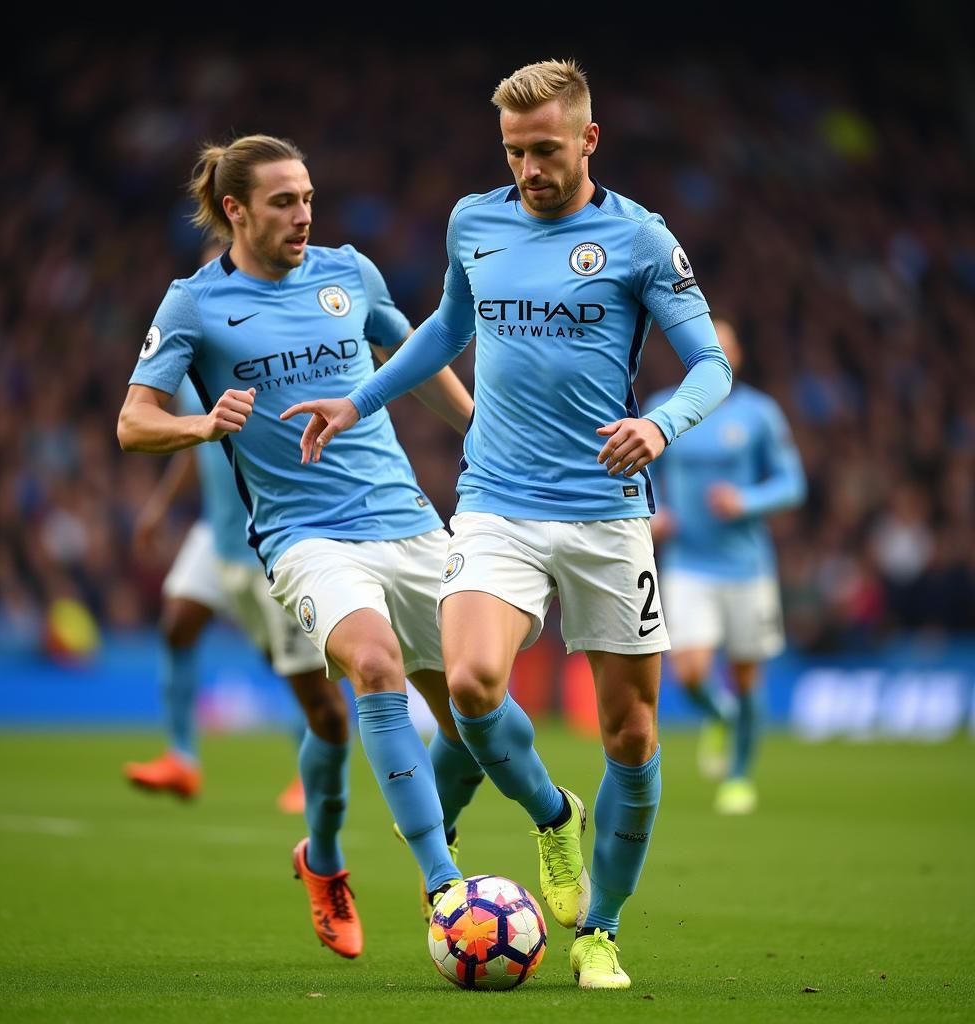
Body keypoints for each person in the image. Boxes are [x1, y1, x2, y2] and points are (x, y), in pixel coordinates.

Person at [285, 60, 732, 989]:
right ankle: (551, 814)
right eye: (514, 152)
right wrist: (357, 402)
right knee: (476, 685)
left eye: (545, 150)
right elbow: (447, 330)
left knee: (634, 736)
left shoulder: (642, 239)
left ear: (588, 141)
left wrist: (659, 424)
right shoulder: (473, 221)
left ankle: (598, 931)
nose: (529, 168)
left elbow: (709, 369)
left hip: (609, 516)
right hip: (495, 504)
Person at [117, 134, 483, 961]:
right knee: (363, 681)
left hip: (400, 524)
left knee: (466, 711)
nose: (303, 214)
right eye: (283, 201)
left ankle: (332, 849)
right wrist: (201, 424)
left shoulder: (349, 272)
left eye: (308, 197)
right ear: (236, 210)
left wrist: (482, 431)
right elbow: (133, 421)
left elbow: (415, 352)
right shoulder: (193, 303)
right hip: (293, 542)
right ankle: (423, 878)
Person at [124, 375, 342, 815]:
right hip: (217, 534)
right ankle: (182, 758)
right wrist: (162, 505)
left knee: (290, 667)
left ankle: (311, 777)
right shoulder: (192, 372)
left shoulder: (269, 360)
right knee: (177, 626)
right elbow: (198, 446)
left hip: (272, 536)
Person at [647, 318, 806, 815]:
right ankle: (722, 716)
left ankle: (738, 778)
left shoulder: (759, 414)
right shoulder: (663, 408)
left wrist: (747, 500)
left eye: (725, 346)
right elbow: (637, 481)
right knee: (690, 671)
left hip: (746, 567)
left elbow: (792, 484)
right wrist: (653, 516)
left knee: (746, 674)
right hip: (688, 563)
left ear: (736, 357)